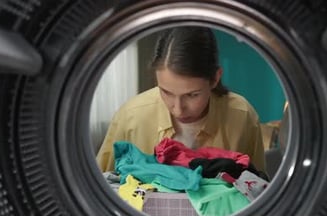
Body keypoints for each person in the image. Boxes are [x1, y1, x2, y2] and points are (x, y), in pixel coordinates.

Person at [96, 26, 265, 173]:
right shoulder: (130, 116)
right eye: (167, 92)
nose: (178, 109)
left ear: (215, 78)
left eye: (192, 95)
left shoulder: (243, 116)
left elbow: (258, 188)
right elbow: (101, 186)